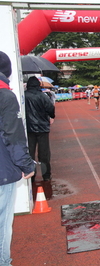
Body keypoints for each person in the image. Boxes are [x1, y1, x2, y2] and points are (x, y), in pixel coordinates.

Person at [0, 51, 35, 266]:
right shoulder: (5, 95)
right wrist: (26, 164)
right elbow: (12, 134)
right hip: (3, 170)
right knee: (2, 222)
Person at [25, 76, 55, 184]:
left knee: (30, 153)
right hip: (42, 128)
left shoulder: (24, 96)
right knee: (44, 154)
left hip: (28, 128)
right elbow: (50, 108)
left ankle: (31, 175)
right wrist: (50, 116)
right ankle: (46, 175)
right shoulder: (43, 96)